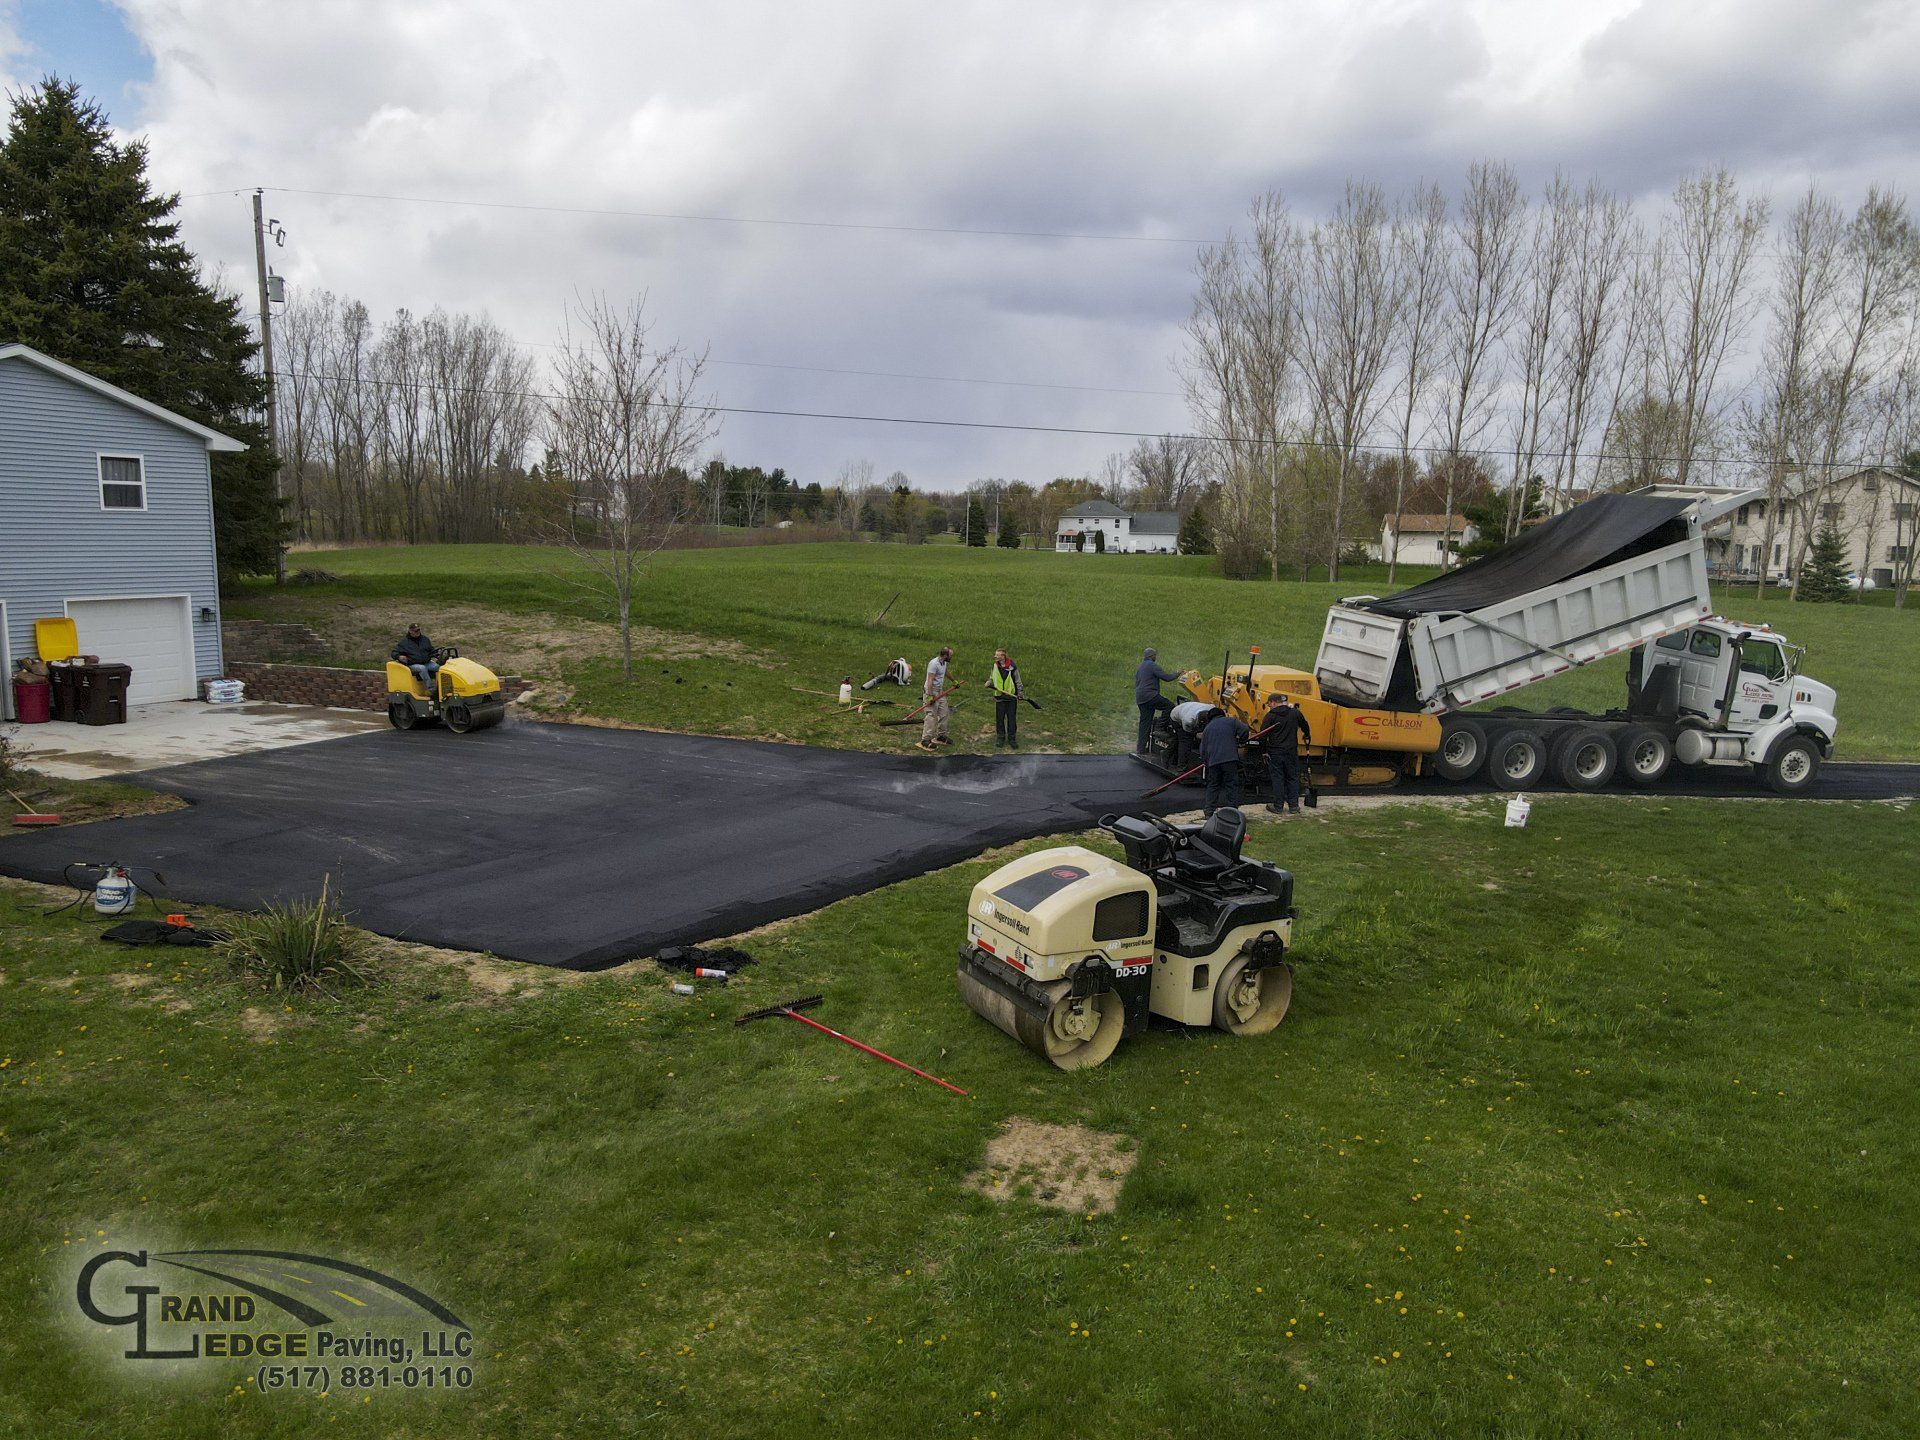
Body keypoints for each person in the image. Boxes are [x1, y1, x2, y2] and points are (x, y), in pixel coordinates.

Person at [1261, 692, 1312, 815]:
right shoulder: (1295, 713)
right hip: (1291, 751)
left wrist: (1264, 751)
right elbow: (1305, 725)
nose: (1269, 706)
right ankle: (1293, 806)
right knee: (1292, 777)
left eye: (1269, 704)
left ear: (1273, 702)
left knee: (1278, 778)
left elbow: (1262, 736)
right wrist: (1306, 735)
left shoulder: (1270, 716)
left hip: (1275, 752)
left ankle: (1278, 806)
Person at [1199, 707, 1250, 817]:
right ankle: (1232, 811)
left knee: (1213, 786)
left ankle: (1209, 811)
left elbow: (1202, 750)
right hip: (1230, 759)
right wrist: (1241, 742)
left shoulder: (1207, 729)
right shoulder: (1231, 721)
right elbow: (1245, 729)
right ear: (1222, 714)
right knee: (1231, 785)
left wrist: (1206, 762)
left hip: (1213, 762)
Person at [1134, 647, 1181, 753]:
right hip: (1150, 696)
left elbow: (1137, 683)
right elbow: (1166, 678)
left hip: (1141, 698)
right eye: (1155, 655)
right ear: (1152, 656)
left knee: (1145, 723)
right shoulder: (1152, 665)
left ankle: (1140, 749)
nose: (1156, 657)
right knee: (1169, 706)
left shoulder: (1140, 667)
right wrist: (1177, 674)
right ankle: (1159, 728)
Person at [918, 646, 954, 751]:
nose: (951, 657)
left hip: (940, 692)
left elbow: (945, 672)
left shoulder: (944, 663)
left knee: (944, 713)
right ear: (945, 655)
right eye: (950, 656)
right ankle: (925, 739)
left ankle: (940, 736)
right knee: (931, 715)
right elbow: (930, 680)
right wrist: (929, 696)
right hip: (931, 691)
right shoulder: (933, 664)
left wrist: (953, 681)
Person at [986, 649, 1022, 748]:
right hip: (999, 696)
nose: (995, 656)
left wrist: (1020, 693)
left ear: (1003, 656)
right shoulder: (995, 666)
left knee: (1011, 719)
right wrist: (989, 682)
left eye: (997, 655)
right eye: (995, 655)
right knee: (1000, 718)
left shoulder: (1012, 667)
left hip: (1011, 697)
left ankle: (1012, 739)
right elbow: (992, 677)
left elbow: (1018, 681)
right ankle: (1000, 738)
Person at [392, 623, 439, 692]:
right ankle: (431, 689)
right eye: (416, 631)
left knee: (438, 667)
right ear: (410, 631)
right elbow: (394, 652)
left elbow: (431, 650)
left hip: (426, 662)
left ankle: (440, 688)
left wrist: (437, 654)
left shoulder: (425, 640)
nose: (418, 632)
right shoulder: (404, 642)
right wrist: (399, 656)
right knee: (422, 668)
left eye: (419, 630)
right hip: (412, 664)